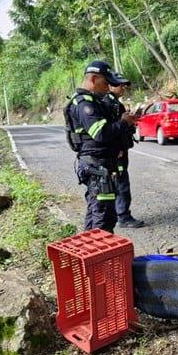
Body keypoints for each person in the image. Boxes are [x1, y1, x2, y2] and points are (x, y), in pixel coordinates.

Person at [65, 61, 138, 233]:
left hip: (102, 166)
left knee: (96, 213)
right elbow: (101, 134)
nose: (107, 88)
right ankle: (99, 258)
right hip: (97, 168)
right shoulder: (85, 104)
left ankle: (90, 255)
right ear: (93, 79)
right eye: (105, 83)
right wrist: (123, 122)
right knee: (103, 219)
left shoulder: (95, 101)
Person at [104, 72, 146, 228]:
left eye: (124, 85)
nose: (123, 88)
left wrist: (131, 120)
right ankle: (123, 216)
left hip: (121, 150)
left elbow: (121, 126)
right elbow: (110, 130)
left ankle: (120, 214)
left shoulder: (116, 103)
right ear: (109, 85)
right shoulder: (108, 104)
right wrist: (117, 148)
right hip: (116, 153)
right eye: (119, 84)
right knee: (121, 185)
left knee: (120, 183)